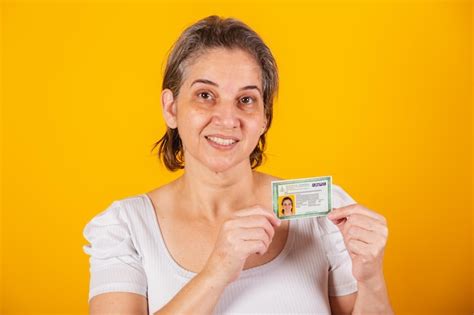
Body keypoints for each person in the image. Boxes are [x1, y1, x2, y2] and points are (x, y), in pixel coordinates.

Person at [83, 15, 394, 315]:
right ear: (171, 107)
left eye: (246, 100)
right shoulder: (125, 228)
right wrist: (217, 270)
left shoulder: (325, 216)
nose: (228, 119)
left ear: (265, 118)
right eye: (205, 95)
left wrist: (371, 279)